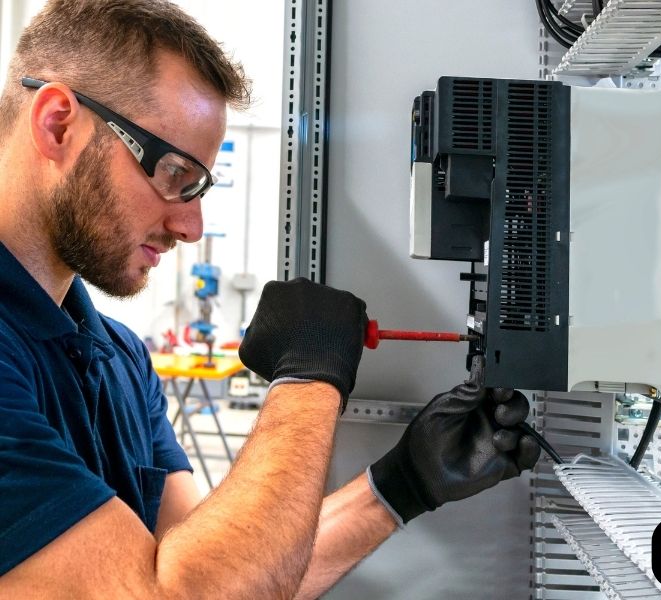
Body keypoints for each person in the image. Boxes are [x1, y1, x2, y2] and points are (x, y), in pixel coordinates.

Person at [0, 0, 540, 598]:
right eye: (174, 175)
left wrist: (401, 484)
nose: (191, 227)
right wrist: (308, 380)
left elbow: (231, 577)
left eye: (199, 188)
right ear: (57, 125)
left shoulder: (119, 359)